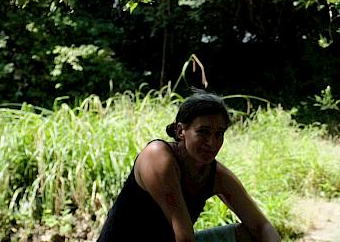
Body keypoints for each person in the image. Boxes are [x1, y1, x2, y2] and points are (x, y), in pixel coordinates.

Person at [97, 91, 281, 242]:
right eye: (203, 132)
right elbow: (184, 237)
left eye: (219, 134)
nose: (212, 142)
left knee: (250, 235)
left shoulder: (216, 175)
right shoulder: (157, 156)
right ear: (180, 131)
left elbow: (262, 226)